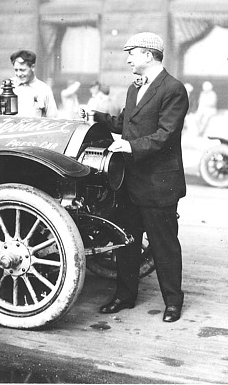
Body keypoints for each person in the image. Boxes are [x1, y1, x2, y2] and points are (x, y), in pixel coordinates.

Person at [81, 32, 189, 323]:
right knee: (127, 243)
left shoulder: (173, 89)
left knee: (164, 245)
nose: (128, 58)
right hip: (130, 183)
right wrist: (96, 116)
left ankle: (173, 303)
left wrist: (129, 146)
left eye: (132, 53)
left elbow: (166, 135)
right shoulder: (134, 88)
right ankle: (124, 296)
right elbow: (126, 124)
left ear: (149, 55)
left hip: (158, 184)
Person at [7, 50, 58, 118]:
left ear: (33, 67)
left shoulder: (44, 89)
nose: (19, 74)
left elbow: (53, 119)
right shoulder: (7, 87)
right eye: (16, 70)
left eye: (22, 70)